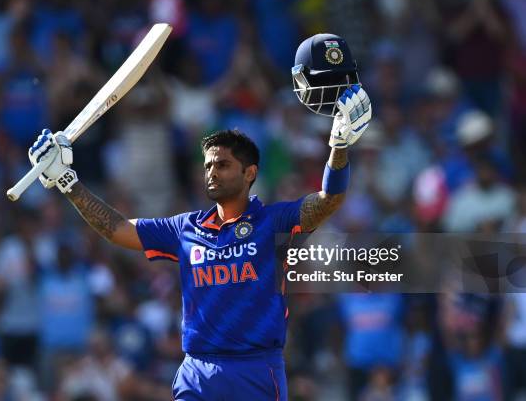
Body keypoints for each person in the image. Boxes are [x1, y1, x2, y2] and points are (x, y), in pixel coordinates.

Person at [26, 33, 371, 400]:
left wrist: (338, 148)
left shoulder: (274, 222)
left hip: (255, 369)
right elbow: (118, 230)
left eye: (222, 165)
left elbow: (330, 198)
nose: (211, 172)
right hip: (197, 372)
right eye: (208, 165)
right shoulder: (185, 228)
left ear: (250, 173)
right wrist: (68, 182)